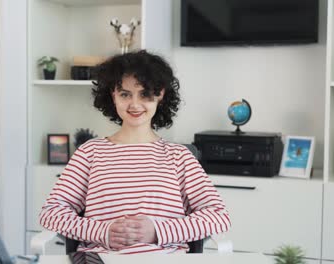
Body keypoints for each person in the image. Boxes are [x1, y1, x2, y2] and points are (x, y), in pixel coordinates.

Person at [39, 50, 231, 254]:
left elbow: (218, 216)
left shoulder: (179, 156)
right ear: (113, 95)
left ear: (160, 95)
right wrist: (102, 231)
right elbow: (51, 213)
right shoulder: (90, 153)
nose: (135, 104)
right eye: (125, 94)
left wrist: (158, 231)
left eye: (145, 94)